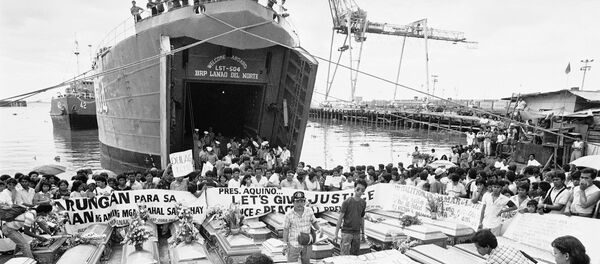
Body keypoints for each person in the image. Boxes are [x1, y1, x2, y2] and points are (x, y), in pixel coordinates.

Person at [283, 191, 322, 264]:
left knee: (306, 262)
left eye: (302, 201)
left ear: (304, 202)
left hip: (307, 243)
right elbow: (286, 229)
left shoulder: (309, 211)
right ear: (293, 202)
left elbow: (314, 222)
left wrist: (319, 229)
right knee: (292, 262)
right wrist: (285, 244)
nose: (299, 204)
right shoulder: (288, 214)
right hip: (294, 244)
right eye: (297, 201)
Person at [334, 179, 367, 256]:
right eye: (358, 189)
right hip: (346, 232)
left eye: (362, 190)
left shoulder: (363, 203)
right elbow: (340, 218)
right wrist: (336, 234)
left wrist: (363, 233)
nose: (359, 191)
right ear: (354, 188)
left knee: (355, 256)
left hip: (357, 233)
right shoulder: (347, 202)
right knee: (344, 255)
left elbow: (362, 218)